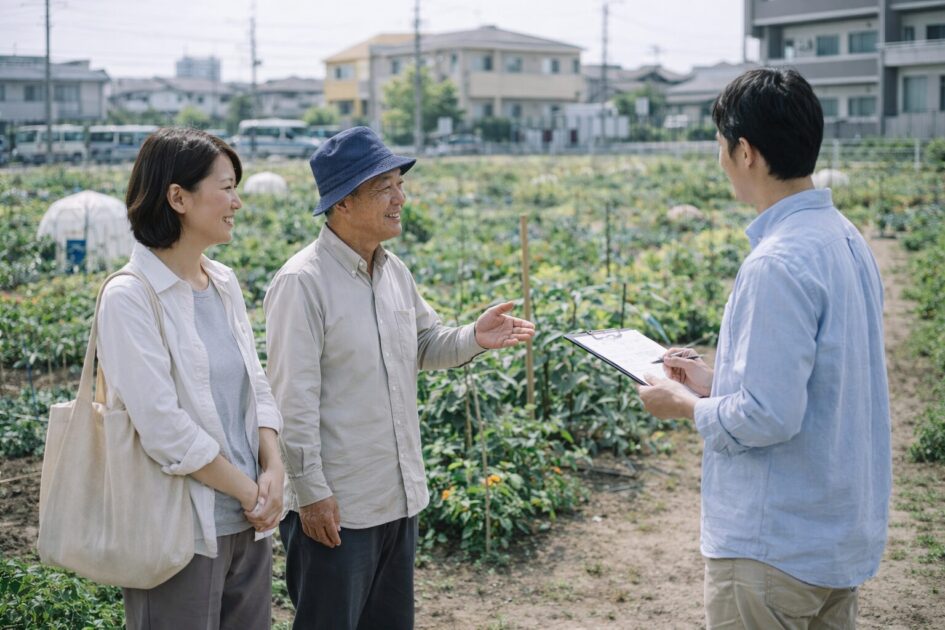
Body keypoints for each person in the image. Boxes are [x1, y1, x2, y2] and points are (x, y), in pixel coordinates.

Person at [638, 68, 891, 628]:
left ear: (745, 152)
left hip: (771, 549)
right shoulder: (844, 239)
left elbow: (766, 417)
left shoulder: (776, 262)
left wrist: (683, 405)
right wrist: (714, 380)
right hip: (833, 538)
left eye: (721, 147)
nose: (721, 161)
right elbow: (821, 377)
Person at [264, 126, 536, 630]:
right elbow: (291, 402)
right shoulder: (303, 283)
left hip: (397, 497)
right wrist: (310, 493)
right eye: (384, 186)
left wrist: (476, 335)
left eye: (399, 184)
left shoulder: (394, 272)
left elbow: (425, 345)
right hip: (338, 508)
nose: (400, 198)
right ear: (343, 203)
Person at [96, 127, 284, 629]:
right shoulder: (130, 297)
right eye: (225, 187)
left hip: (249, 524)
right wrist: (250, 491)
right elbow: (164, 429)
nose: (237, 202)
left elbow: (255, 385)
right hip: (180, 531)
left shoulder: (223, 282)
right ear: (177, 197)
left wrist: (274, 466)